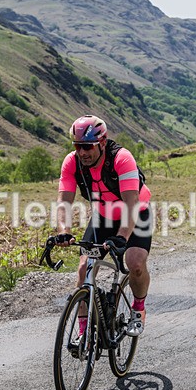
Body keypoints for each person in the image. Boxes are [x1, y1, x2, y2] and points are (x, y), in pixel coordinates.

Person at [54, 114, 152, 337]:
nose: (82, 152)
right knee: (84, 269)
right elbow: (64, 201)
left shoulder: (121, 158)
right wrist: (63, 231)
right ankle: (83, 333)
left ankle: (138, 309)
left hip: (136, 214)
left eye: (88, 146)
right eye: (78, 146)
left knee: (135, 262)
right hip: (103, 216)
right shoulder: (72, 162)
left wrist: (122, 236)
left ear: (102, 143)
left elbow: (132, 203)